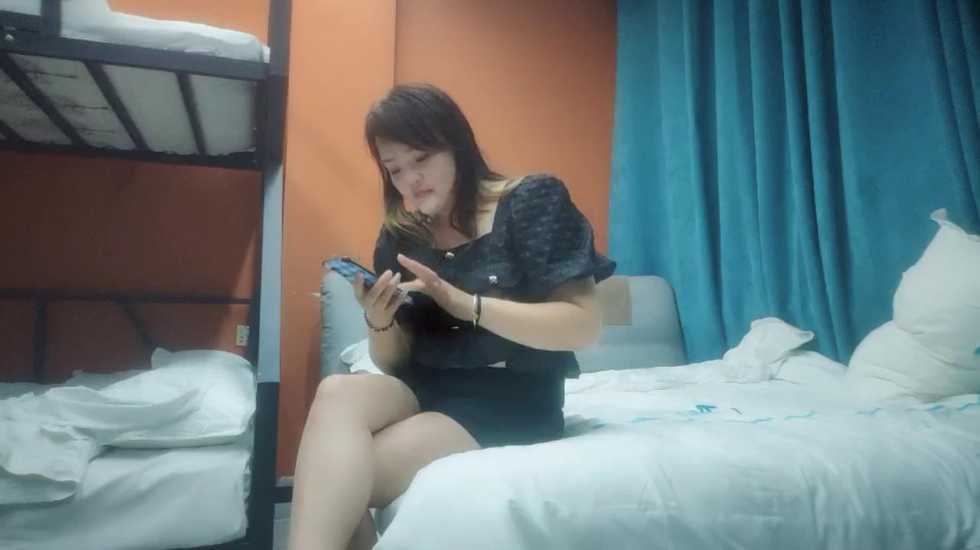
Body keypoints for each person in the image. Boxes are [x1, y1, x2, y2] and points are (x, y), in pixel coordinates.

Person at [287, 83, 615, 550]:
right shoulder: (401, 234)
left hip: (509, 397)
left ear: (456, 144)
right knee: (336, 392)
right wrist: (380, 320)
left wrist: (466, 304)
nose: (410, 180)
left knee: (335, 481)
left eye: (421, 159)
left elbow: (583, 325)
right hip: (423, 386)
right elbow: (393, 363)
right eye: (395, 169)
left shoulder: (529, 201)